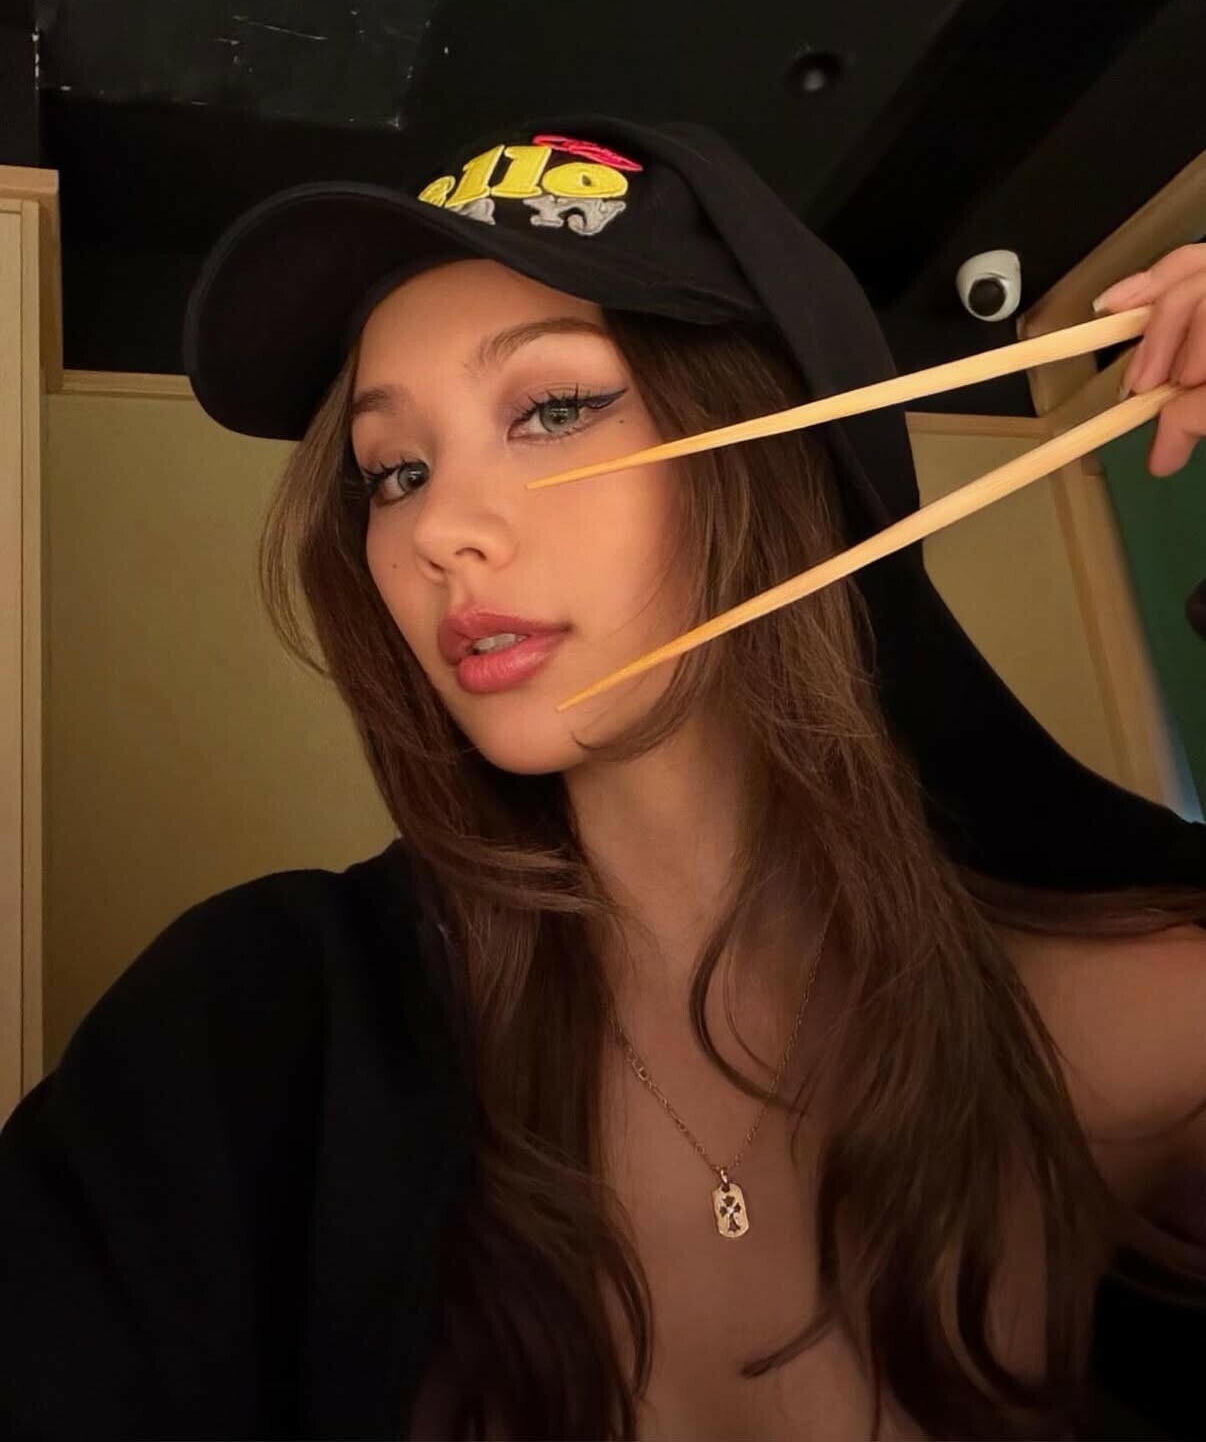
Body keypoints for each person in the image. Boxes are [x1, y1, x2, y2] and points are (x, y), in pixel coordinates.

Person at [2, 117, 1205, 1441]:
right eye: (394, 471)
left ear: (773, 444)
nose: (439, 530)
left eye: (554, 408)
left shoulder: (1143, 1027)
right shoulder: (254, 1033)